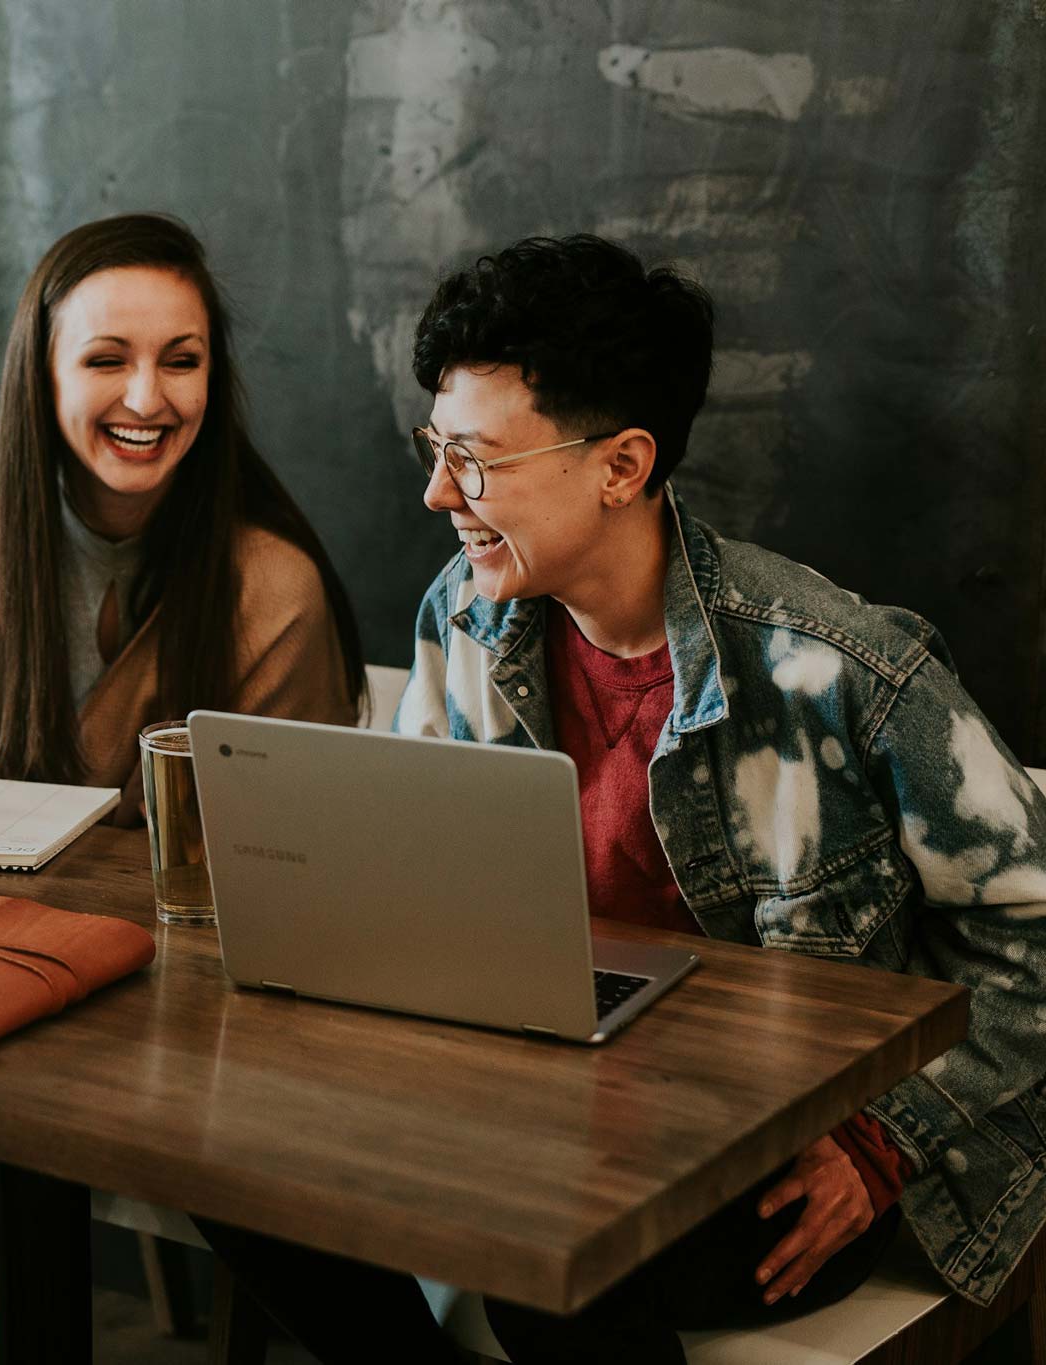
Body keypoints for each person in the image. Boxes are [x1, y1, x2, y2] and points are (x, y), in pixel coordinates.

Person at [197, 234, 1046, 1363]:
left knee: (552, 1255)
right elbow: (414, 903)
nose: (436, 492)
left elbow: (1029, 933)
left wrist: (881, 1144)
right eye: (434, 448)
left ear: (621, 465)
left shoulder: (836, 670)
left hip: (771, 1146)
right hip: (537, 1104)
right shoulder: (463, 616)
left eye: (475, 460)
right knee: (225, 1162)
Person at [0, 213, 363, 1364]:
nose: (148, 396)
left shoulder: (267, 587)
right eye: (106, 358)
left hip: (178, 1023)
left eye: (181, 360)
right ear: (44, 374)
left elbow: (287, 880)